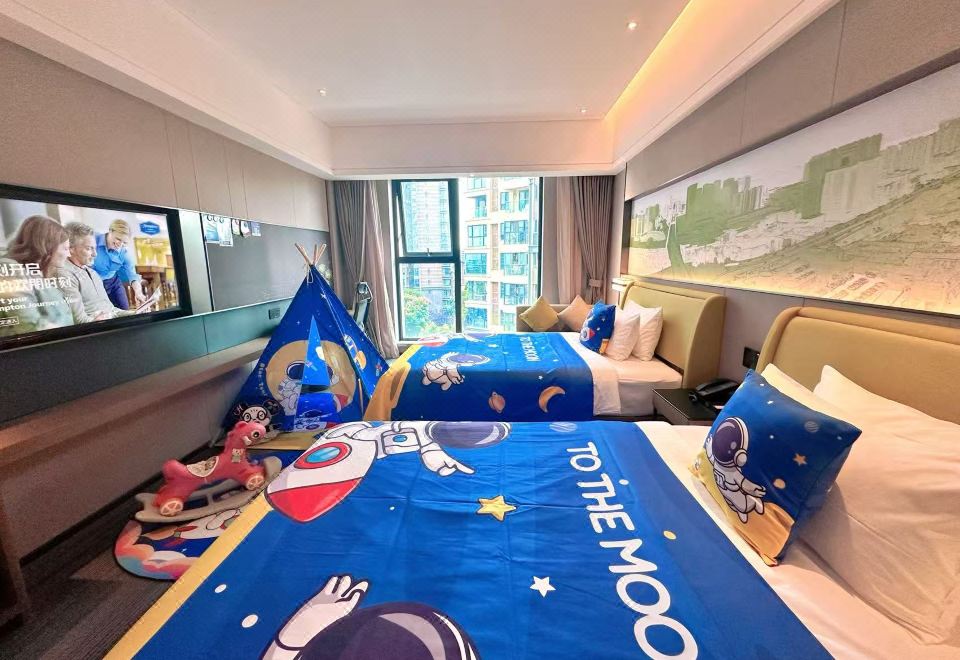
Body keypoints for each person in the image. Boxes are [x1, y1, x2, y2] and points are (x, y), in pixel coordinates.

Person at [0, 215, 74, 336]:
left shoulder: (40, 272)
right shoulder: (10, 268)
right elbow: (29, 324)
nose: (69, 255)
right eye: (65, 249)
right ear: (47, 246)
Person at [58, 222, 145, 323]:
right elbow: (79, 320)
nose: (95, 254)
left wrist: (135, 313)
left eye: (124, 242)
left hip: (112, 280)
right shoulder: (65, 275)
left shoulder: (93, 273)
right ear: (70, 248)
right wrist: (99, 322)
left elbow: (111, 310)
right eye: (89, 248)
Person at [92, 218, 145, 310]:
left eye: (124, 242)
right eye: (118, 239)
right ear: (110, 231)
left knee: (124, 310)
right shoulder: (93, 240)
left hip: (113, 283)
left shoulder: (124, 253)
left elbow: (132, 275)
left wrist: (138, 292)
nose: (120, 245)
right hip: (93, 284)